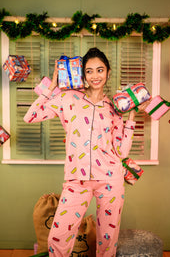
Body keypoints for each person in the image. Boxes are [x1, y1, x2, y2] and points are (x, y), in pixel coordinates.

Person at [24, 47, 149, 257]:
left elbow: (122, 150)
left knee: (108, 239)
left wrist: (131, 115)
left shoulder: (115, 107)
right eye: (89, 71)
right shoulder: (69, 98)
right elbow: (30, 116)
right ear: (83, 74)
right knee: (59, 236)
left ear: (108, 72)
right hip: (76, 178)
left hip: (110, 178)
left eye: (100, 70)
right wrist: (53, 84)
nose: (95, 76)